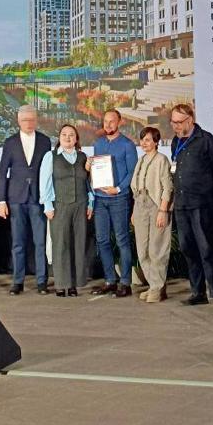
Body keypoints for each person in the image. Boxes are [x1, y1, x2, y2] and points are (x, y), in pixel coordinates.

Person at [170, 103, 213, 310]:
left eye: (179, 122)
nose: (175, 126)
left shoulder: (206, 140)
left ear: (190, 120)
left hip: (201, 204)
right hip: (181, 204)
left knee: (207, 250)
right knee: (188, 249)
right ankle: (198, 292)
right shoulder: (176, 142)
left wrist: (205, 188)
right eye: (173, 122)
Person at [0, 105, 52, 295]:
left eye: (31, 120)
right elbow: (2, 172)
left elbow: (48, 171)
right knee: (18, 242)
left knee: (40, 242)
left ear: (36, 120)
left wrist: (49, 198)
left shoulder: (45, 141)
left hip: (38, 198)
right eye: (25, 120)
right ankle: (17, 282)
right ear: (18, 121)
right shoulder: (10, 142)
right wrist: (1, 201)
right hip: (16, 198)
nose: (28, 123)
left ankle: (42, 281)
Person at [40, 124, 94, 297]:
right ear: (59, 138)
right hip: (60, 206)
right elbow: (45, 181)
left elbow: (88, 182)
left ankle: (73, 285)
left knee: (78, 244)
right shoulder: (51, 156)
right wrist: (47, 205)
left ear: (76, 138)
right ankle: (61, 284)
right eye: (64, 134)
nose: (67, 137)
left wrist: (91, 203)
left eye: (71, 135)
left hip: (80, 205)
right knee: (61, 244)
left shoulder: (83, 157)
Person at [89, 109, 138, 298]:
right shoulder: (98, 143)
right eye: (105, 121)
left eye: (112, 121)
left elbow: (132, 173)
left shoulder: (127, 145)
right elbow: (96, 169)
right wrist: (89, 168)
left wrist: (117, 188)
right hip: (100, 199)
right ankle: (110, 281)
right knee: (102, 240)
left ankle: (125, 283)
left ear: (119, 122)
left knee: (121, 240)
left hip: (119, 198)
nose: (108, 125)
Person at [131, 126, 173, 302]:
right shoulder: (141, 160)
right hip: (140, 204)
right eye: (142, 140)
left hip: (156, 205)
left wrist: (163, 210)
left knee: (157, 249)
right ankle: (155, 285)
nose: (144, 143)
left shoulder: (161, 160)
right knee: (142, 250)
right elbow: (136, 186)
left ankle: (157, 287)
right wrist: (134, 211)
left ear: (156, 142)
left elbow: (167, 187)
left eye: (148, 140)